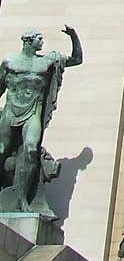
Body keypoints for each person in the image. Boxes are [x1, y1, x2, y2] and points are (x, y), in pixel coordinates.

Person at [0, 25, 83, 213]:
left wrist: (74, 37)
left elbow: (77, 59)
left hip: (33, 113)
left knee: (30, 149)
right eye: (39, 38)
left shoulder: (46, 62)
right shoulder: (10, 63)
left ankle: (22, 198)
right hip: (10, 112)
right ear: (29, 41)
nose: (42, 42)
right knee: (2, 149)